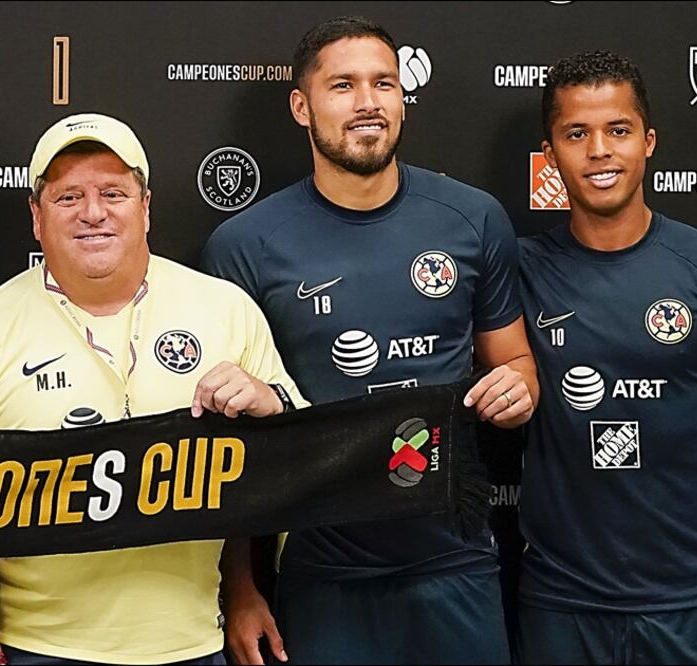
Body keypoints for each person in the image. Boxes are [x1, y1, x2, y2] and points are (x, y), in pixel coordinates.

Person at [201, 16, 539, 665]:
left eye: (384, 83)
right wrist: (240, 588)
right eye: (343, 86)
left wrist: (518, 390)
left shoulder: (472, 219)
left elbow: (517, 364)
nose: (368, 102)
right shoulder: (244, 246)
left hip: (455, 564)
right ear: (301, 106)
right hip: (322, 573)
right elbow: (227, 443)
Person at [0, 113, 305, 666]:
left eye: (113, 193)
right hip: (36, 649)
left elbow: (296, 459)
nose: (93, 213)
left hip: (193, 645)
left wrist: (272, 406)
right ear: (35, 216)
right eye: (68, 197)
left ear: (145, 206)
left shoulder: (226, 310)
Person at [515, 51, 697, 665]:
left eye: (618, 129)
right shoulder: (519, 271)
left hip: (692, 601)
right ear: (550, 154)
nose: (599, 151)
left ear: (649, 140)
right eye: (576, 134)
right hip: (560, 603)